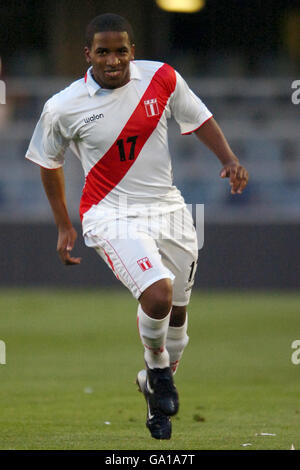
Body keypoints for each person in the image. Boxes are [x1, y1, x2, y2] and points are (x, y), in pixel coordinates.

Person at [25, 13, 248, 440]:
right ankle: (159, 370)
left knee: (178, 314)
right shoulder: (63, 106)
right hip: (109, 213)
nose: (113, 60)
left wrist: (229, 159)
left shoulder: (161, 78)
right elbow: (48, 162)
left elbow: (197, 117)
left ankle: (152, 384)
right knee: (158, 293)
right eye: (103, 52)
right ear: (87, 54)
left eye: (121, 51)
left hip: (168, 208)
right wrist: (63, 223)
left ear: (132, 51)